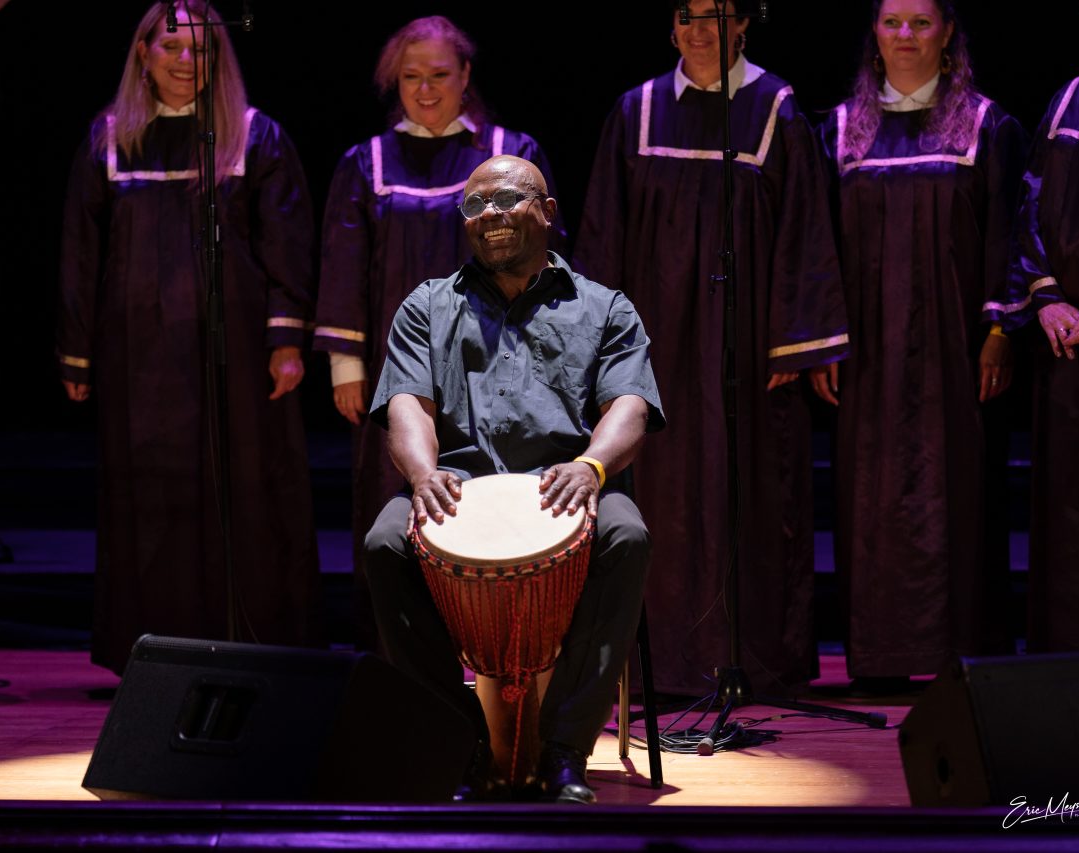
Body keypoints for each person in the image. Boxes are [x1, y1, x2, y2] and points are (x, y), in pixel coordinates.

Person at [364, 155, 664, 803]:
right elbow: (407, 402)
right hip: (455, 481)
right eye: (475, 206)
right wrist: (422, 474)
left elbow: (630, 404)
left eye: (506, 199)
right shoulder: (428, 305)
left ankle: (565, 749)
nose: (490, 215)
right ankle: (461, 741)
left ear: (547, 212)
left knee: (627, 536)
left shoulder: (604, 307)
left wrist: (592, 466)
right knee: (384, 543)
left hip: (570, 480)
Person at [573, 0, 847, 696]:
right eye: (688, 15)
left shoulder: (775, 106)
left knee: (745, 490)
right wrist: (597, 345)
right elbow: (604, 228)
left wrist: (793, 343)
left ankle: (748, 660)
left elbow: (805, 225)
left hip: (746, 345)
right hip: (651, 345)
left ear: (744, 23)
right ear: (671, 26)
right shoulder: (635, 111)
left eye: (718, 14)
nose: (701, 30)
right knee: (658, 494)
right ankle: (657, 665)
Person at [57, 1, 322, 675]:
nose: (185, 61)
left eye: (201, 50)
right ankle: (154, 652)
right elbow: (81, 252)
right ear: (143, 53)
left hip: (236, 352)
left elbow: (286, 243)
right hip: (138, 356)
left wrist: (285, 339)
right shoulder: (111, 140)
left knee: (244, 487)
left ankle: (252, 644)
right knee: (151, 495)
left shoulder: (253, 137)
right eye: (171, 46)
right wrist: (77, 350)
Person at [313, 16, 564, 644]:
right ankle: (400, 657)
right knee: (395, 499)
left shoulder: (509, 154)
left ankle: (501, 648)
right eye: (411, 77)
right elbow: (344, 265)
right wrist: (346, 367)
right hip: (400, 370)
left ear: (466, 75)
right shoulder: (366, 163)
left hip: (502, 361)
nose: (425, 90)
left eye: (439, 75)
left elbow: (546, 258)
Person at [813, 0, 1025, 693]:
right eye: (892, 22)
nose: (905, 35)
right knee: (868, 499)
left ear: (948, 33)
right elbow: (818, 244)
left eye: (922, 22)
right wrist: (824, 341)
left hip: (953, 348)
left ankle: (960, 655)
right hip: (867, 352)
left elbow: (1006, 231)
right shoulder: (839, 131)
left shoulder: (985, 126)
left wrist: (999, 331)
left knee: (955, 494)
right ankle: (878, 658)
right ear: (874, 34)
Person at [984, 0, 1079, 653]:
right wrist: (1047, 298)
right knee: (1072, 513)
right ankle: (1070, 664)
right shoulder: (1067, 102)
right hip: (1071, 345)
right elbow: (1030, 208)